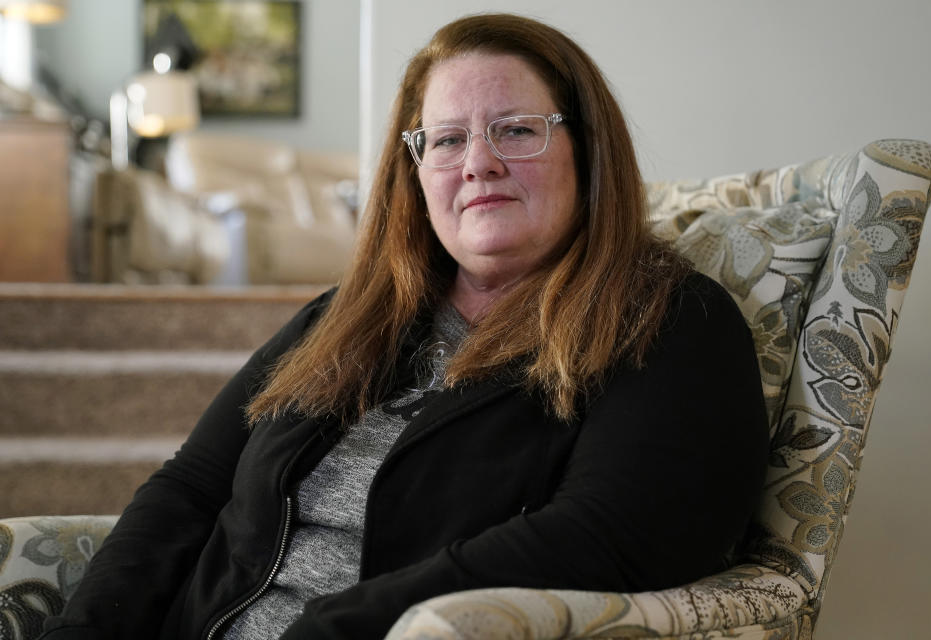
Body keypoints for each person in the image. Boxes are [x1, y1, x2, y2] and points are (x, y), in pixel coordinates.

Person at [42, 13, 768, 640]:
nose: (478, 163)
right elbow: (193, 487)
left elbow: (612, 536)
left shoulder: (671, 321)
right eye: (446, 140)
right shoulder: (346, 316)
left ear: (588, 150)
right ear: (416, 173)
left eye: (516, 130)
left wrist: (336, 629)